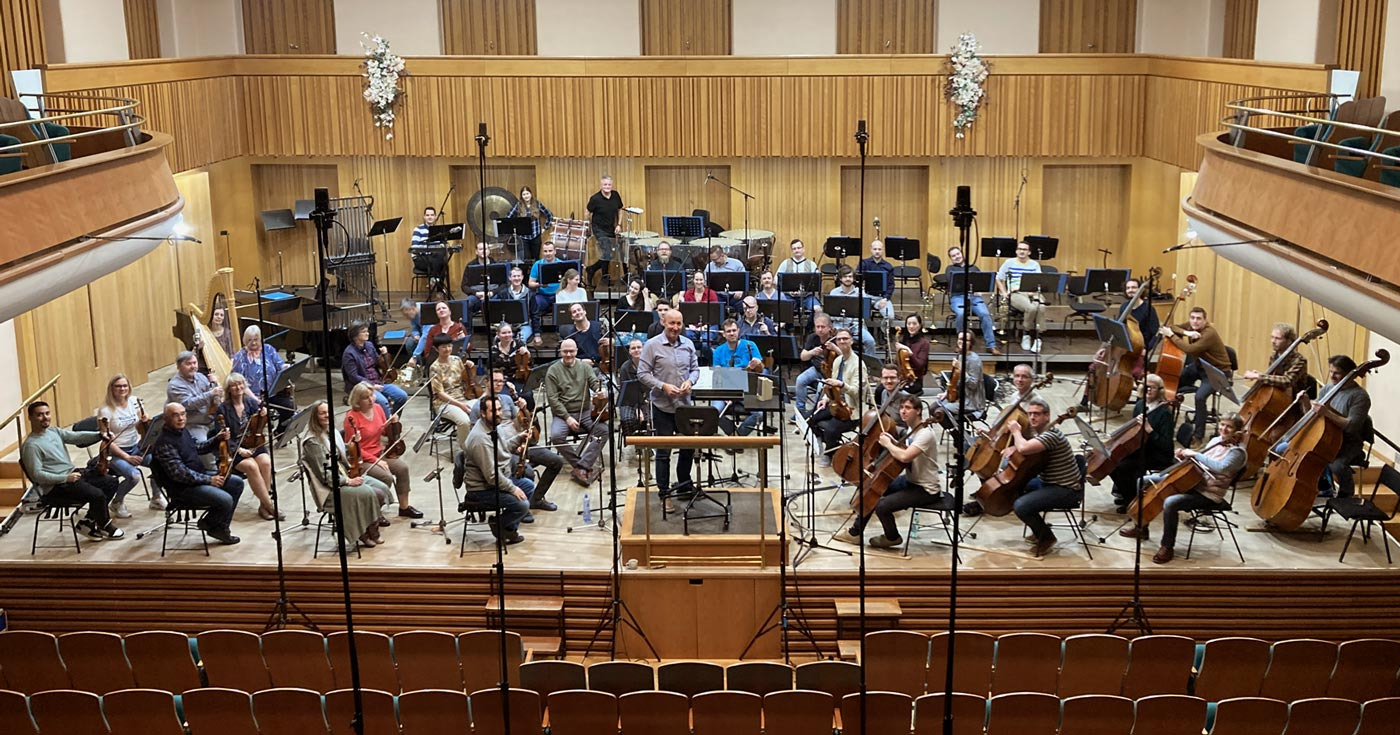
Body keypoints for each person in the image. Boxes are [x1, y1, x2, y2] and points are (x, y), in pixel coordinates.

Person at [1120, 414, 1247, 564]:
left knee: (1171, 502)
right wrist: (1184, 457)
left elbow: (1221, 467)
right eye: (1222, 424)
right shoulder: (1216, 440)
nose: (1224, 429)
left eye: (1229, 427)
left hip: (1208, 493)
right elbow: (1199, 461)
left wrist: (1195, 454)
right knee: (1143, 481)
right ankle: (1141, 528)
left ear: (1237, 431)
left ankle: (1167, 546)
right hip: (1191, 482)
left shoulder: (1237, 452)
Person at [837, 397, 942, 548]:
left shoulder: (925, 434)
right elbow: (904, 448)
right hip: (911, 480)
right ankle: (855, 533)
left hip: (926, 488)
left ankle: (892, 537)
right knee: (872, 488)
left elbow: (905, 457)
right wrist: (892, 441)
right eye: (902, 407)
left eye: (908, 408)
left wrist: (888, 444)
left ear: (918, 411)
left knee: (881, 506)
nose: (903, 411)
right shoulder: (912, 429)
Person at [21, 401, 122, 539]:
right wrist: (65, 478)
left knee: (110, 482)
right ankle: (105, 525)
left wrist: (100, 435)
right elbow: (37, 475)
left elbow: (75, 437)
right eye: (39, 415)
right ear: (30, 418)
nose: (45, 417)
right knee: (97, 494)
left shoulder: (53, 431)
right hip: (57, 486)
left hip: (72, 475)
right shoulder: (31, 446)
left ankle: (88, 522)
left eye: (47, 413)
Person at [150, 402, 243, 545]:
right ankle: (210, 523)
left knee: (236, 483)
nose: (181, 418)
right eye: (175, 415)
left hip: (197, 478)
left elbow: (197, 447)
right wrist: (209, 480)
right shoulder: (164, 443)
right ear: (166, 418)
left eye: (183, 414)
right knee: (225, 500)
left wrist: (217, 439)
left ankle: (218, 527)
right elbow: (180, 474)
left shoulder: (182, 431)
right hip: (183, 489)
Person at [302, 400, 388, 547]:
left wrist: (352, 443)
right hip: (330, 488)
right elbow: (324, 474)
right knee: (372, 493)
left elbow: (338, 453)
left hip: (344, 474)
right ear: (315, 417)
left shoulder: (330, 432)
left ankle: (368, 527)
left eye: (328, 412)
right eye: (322, 413)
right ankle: (364, 532)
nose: (327, 415)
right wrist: (347, 481)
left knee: (382, 489)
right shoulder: (312, 442)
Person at [1003, 397, 1082, 557]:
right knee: (1018, 485)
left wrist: (1016, 432)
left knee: (1021, 505)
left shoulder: (1051, 435)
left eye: (1037, 414)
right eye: (1030, 414)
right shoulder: (1040, 433)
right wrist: (1015, 447)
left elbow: (1024, 448)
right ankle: (1037, 527)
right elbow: (1028, 445)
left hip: (1065, 489)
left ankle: (1046, 537)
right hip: (1050, 482)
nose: (1032, 417)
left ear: (1047, 416)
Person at [639, 309, 701, 509]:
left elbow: (695, 370)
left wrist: (690, 381)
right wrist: (662, 386)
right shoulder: (651, 345)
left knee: (687, 449)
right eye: (672, 323)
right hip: (662, 407)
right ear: (664, 322)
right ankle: (664, 494)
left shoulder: (688, 344)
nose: (675, 327)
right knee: (664, 452)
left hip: (684, 407)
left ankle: (684, 485)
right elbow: (642, 373)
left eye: (679, 324)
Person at [462, 396, 535, 544]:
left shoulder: (494, 426)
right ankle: (500, 524)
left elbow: (503, 448)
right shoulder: (480, 439)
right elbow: (491, 476)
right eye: (493, 411)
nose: (498, 413)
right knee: (522, 505)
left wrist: (519, 438)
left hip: (498, 479)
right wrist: (513, 489)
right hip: (482, 489)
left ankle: (507, 530)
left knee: (529, 486)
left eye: (500, 409)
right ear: (483, 413)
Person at [343, 381, 422, 519]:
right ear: (357, 401)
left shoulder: (378, 408)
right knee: (386, 476)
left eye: (372, 395)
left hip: (380, 452)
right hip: (362, 458)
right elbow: (353, 448)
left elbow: (383, 432)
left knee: (402, 468)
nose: (371, 399)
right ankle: (375, 512)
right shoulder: (351, 418)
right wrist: (376, 461)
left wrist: (393, 424)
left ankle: (404, 507)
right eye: (366, 398)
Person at [1158, 306, 1231, 446]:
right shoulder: (1191, 326)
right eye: (1192, 318)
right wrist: (1187, 332)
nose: (1195, 321)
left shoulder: (1209, 333)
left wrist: (1172, 335)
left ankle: (1198, 436)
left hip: (1216, 372)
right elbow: (1173, 326)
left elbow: (1189, 349)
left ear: (1205, 320)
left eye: (1198, 319)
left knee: (1199, 397)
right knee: (1170, 383)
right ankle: (1164, 421)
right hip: (1199, 367)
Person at [1301, 354, 1372, 499]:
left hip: (1347, 442)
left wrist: (1327, 412)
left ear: (1349, 375)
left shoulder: (1360, 396)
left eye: (1337, 373)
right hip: (1324, 436)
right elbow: (1313, 417)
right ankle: (1322, 486)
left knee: (1336, 466)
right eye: (1331, 372)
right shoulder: (1328, 389)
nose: (1332, 376)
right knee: (1291, 449)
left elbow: (1351, 426)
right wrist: (1305, 402)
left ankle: (1346, 494)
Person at [545, 338, 611, 485]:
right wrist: (567, 418)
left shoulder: (584, 367)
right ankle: (580, 465)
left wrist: (600, 391)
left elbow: (594, 383)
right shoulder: (553, 371)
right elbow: (553, 400)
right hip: (563, 413)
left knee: (604, 431)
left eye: (571, 351)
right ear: (560, 352)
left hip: (585, 411)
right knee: (556, 436)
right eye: (565, 351)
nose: (568, 354)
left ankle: (582, 465)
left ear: (576, 351)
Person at [1108, 374, 1176, 512]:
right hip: (1141, 448)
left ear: (1160, 390)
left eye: (1153, 388)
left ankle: (1133, 503)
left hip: (1158, 454)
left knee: (1124, 467)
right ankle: (1128, 494)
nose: (1148, 390)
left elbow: (1166, 445)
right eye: (1146, 387)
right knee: (1112, 462)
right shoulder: (1140, 405)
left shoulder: (1164, 413)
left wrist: (1150, 430)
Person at [215, 373, 279, 521]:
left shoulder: (251, 402)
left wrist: (264, 416)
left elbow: (262, 426)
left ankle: (263, 506)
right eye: (234, 385)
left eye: (240, 384)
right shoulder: (223, 409)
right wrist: (239, 450)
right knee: (251, 466)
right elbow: (220, 436)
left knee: (266, 462)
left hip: (253, 443)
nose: (238, 387)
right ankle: (269, 506)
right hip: (234, 449)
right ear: (228, 389)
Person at [96, 374, 161, 516]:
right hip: (116, 453)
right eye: (118, 386)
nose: (122, 389)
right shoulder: (105, 410)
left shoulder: (133, 401)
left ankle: (156, 498)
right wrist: (127, 457)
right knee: (134, 476)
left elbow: (141, 425)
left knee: (159, 463)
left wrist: (145, 419)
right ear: (111, 389)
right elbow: (107, 441)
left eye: (124, 386)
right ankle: (117, 502)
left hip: (136, 447)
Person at [807, 329, 863, 467]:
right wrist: (825, 399)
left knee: (831, 430)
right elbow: (831, 384)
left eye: (845, 339)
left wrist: (842, 385)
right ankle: (832, 445)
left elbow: (857, 391)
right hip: (835, 402)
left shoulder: (858, 364)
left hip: (850, 409)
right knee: (809, 419)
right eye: (839, 339)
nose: (842, 341)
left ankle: (829, 453)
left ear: (851, 341)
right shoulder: (838, 360)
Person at [230, 324, 294, 430]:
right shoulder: (240, 357)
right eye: (250, 340)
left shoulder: (268, 349)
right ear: (245, 340)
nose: (253, 343)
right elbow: (241, 384)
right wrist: (255, 399)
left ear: (260, 339)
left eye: (256, 339)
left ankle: (280, 432)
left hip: (272, 393)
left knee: (289, 406)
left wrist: (285, 367)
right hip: (251, 397)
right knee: (258, 415)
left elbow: (280, 365)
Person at [342, 321, 409, 414]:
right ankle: (387, 421)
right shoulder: (349, 353)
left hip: (379, 382)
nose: (367, 333)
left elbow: (378, 363)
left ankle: (392, 419)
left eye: (367, 331)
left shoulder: (369, 345)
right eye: (364, 332)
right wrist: (371, 385)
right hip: (363, 387)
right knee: (383, 402)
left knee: (402, 396)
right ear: (355, 335)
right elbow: (353, 376)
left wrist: (384, 355)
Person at [712, 319, 765, 436]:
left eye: (734, 330)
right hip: (726, 389)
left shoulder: (750, 345)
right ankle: (732, 433)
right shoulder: (718, 351)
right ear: (724, 334)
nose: (732, 333)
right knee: (713, 412)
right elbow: (717, 375)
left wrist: (757, 364)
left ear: (738, 331)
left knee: (760, 414)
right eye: (728, 331)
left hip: (747, 389)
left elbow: (761, 369)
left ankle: (739, 435)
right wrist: (724, 394)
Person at [944, 245, 1000, 355]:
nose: (957, 257)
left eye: (958, 254)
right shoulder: (950, 269)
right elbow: (952, 283)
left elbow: (982, 283)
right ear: (951, 258)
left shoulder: (974, 268)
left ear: (962, 254)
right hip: (958, 297)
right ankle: (960, 344)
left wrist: (979, 290)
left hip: (974, 297)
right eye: (953, 256)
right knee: (961, 313)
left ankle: (991, 345)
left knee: (985, 314)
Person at [932, 332, 986, 445]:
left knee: (941, 412)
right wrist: (946, 393)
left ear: (971, 343)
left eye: (966, 340)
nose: (962, 342)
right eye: (960, 339)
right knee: (933, 408)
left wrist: (961, 370)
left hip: (972, 401)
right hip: (958, 397)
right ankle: (960, 435)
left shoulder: (974, 360)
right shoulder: (960, 356)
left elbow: (973, 385)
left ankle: (960, 438)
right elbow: (955, 380)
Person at [996, 240, 1047, 353]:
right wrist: (1004, 293)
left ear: (1029, 252)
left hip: (1032, 292)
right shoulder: (1009, 262)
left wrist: (1033, 291)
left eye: (1024, 249)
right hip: (1016, 293)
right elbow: (999, 278)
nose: (1021, 251)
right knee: (1031, 308)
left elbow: (1039, 280)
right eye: (1019, 249)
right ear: (1016, 251)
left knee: (1041, 307)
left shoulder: (1034, 264)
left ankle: (1038, 338)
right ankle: (1026, 334)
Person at [1240, 322, 1309, 400]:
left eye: (1277, 338)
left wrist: (1259, 376)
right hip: (1277, 396)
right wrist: (1261, 375)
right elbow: (1274, 377)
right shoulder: (1274, 356)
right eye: (1272, 337)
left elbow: (1287, 381)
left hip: (1292, 400)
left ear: (1289, 341)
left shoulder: (1299, 360)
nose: (1273, 341)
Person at [427, 334, 474, 445]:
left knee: (483, 410)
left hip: (462, 397)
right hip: (444, 403)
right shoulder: (434, 367)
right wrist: (460, 405)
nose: (447, 349)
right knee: (464, 421)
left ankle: (476, 444)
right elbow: (440, 393)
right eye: (443, 347)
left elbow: (466, 378)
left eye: (449, 346)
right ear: (436, 349)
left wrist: (471, 367)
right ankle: (465, 449)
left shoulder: (456, 360)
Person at [167, 350, 221, 444]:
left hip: (210, 420)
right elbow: (188, 404)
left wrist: (214, 384)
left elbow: (213, 397)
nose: (193, 366)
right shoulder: (174, 385)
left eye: (195, 363)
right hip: (193, 424)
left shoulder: (200, 377)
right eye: (188, 364)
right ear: (179, 366)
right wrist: (211, 393)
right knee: (202, 445)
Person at [827, 265, 878, 354]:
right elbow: (830, 314)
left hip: (856, 326)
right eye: (845, 277)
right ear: (840, 278)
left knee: (870, 341)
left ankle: (868, 362)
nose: (848, 279)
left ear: (854, 278)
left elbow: (865, 311)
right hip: (839, 326)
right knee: (834, 342)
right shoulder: (834, 292)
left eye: (850, 276)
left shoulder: (860, 292)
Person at [585, 174, 624, 286]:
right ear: (601, 185)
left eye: (609, 185)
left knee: (611, 253)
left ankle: (592, 269)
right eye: (605, 184)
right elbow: (587, 212)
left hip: (611, 228)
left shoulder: (615, 195)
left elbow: (620, 209)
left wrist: (619, 224)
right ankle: (605, 277)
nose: (607, 187)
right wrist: (589, 225)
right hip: (599, 228)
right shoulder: (595, 198)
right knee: (607, 251)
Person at [795, 314, 837, 419]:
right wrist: (812, 352)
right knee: (800, 380)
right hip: (816, 369)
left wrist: (835, 348)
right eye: (818, 327)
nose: (820, 329)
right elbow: (803, 357)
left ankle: (814, 413)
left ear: (829, 327)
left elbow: (846, 357)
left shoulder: (835, 340)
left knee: (820, 388)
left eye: (823, 327)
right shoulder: (813, 338)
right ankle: (800, 412)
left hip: (830, 373)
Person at [409, 206, 450, 298]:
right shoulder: (418, 229)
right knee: (440, 261)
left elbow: (444, 245)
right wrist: (432, 248)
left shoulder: (439, 230)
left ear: (435, 217)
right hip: (421, 259)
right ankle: (438, 288)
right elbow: (415, 247)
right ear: (424, 217)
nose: (430, 217)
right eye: (427, 215)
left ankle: (433, 280)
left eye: (432, 215)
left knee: (442, 259)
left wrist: (443, 246)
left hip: (435, 258)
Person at [506, 184, 553, 262]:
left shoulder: (537, 204)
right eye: (524, 194)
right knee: (526, 260)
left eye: (527, 193)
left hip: (536, 236)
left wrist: (545, 228)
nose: (526, 196)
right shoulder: (518, 205)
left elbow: (549, 215)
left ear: (531, 194)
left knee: (536, 259)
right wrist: (515, 228)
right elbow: (508, 217)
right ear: (521, 196)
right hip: (524, 238)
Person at [776, 239, 822, 317]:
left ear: (803, 249)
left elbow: (817, 281)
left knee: (817, 309)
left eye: (799, 248)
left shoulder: (811, 264)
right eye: (794, 249)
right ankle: (788, 325)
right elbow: (776, 279)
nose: (797, 250)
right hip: (789, 296)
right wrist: (789, 291)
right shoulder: (785, 263)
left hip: (807, 297)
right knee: (783, 308)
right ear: (792, 251)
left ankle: (810, 325)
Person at [858, 239, 896, 324]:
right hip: (866, 296)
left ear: (883, 250)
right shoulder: (863, 264)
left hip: (881, 298)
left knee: (890, 316)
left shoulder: (888, 266)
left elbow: (891, 285)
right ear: (871, 249)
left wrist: (885, 299)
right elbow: (857, 281)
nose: (877, 251)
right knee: (861, 315)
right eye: (875, 249)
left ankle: (883, 331)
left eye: (879, 249)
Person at [494, 266, 536, 343]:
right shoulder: (503, 293)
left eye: (518, 276)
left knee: (521, 340)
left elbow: (535, 314)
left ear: (522, 277)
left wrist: (537, 334)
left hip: (525, 325)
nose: (516, 278)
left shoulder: (530, 294)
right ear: (510, 278)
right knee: (498, 339)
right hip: (508, 325)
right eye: (514, 276)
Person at [895, 313, 930, 391]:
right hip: (901, 378)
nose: (911, 326)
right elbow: (897, 362)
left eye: (914, 324)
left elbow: (919, 365)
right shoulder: (903, 340)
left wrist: (909, 351)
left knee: (900, 393)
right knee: (880, 390)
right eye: (909, 324)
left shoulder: (924, 343)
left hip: (915, 380)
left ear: (920, 325)